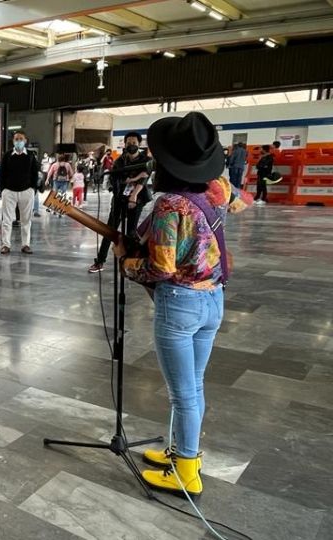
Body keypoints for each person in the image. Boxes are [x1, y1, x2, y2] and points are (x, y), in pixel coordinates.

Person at [113, 112, 252, 500]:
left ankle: (187, 472)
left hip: (181, 305)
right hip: (213, 299)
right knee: (194, 385)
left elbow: (160, 267)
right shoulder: (216, 189)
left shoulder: (170, 206)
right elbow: (247, 201)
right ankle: (182, 452)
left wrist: (127, 263)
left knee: (183, 393)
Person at [89, 132, 152, 273]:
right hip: (119, 199)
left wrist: (133, 194)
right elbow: (115, 179)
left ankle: (130, 263)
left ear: (139, 144)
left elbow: (144, 178)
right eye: (129, 143)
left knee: (131, 232)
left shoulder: (146, 160)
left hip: (137, 200)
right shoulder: (120, 161)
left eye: (134, 143)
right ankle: (100, 261)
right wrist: (130, 182)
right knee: (110, 230)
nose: (131, 145)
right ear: (125, 144)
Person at [0, 131, 41, 255]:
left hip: (26, 191)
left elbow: (35, 173)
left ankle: (25, 245)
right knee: (6, 220)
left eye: (21, 139)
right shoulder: (7, 155)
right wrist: (3, 190)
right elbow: (2, 173)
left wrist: (33, 189)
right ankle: (6, 245)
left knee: (26, 220)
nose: (18, 141)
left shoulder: (31, 155)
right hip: (9, 192)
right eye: (16, 139)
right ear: (13, 141)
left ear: (25, 140)